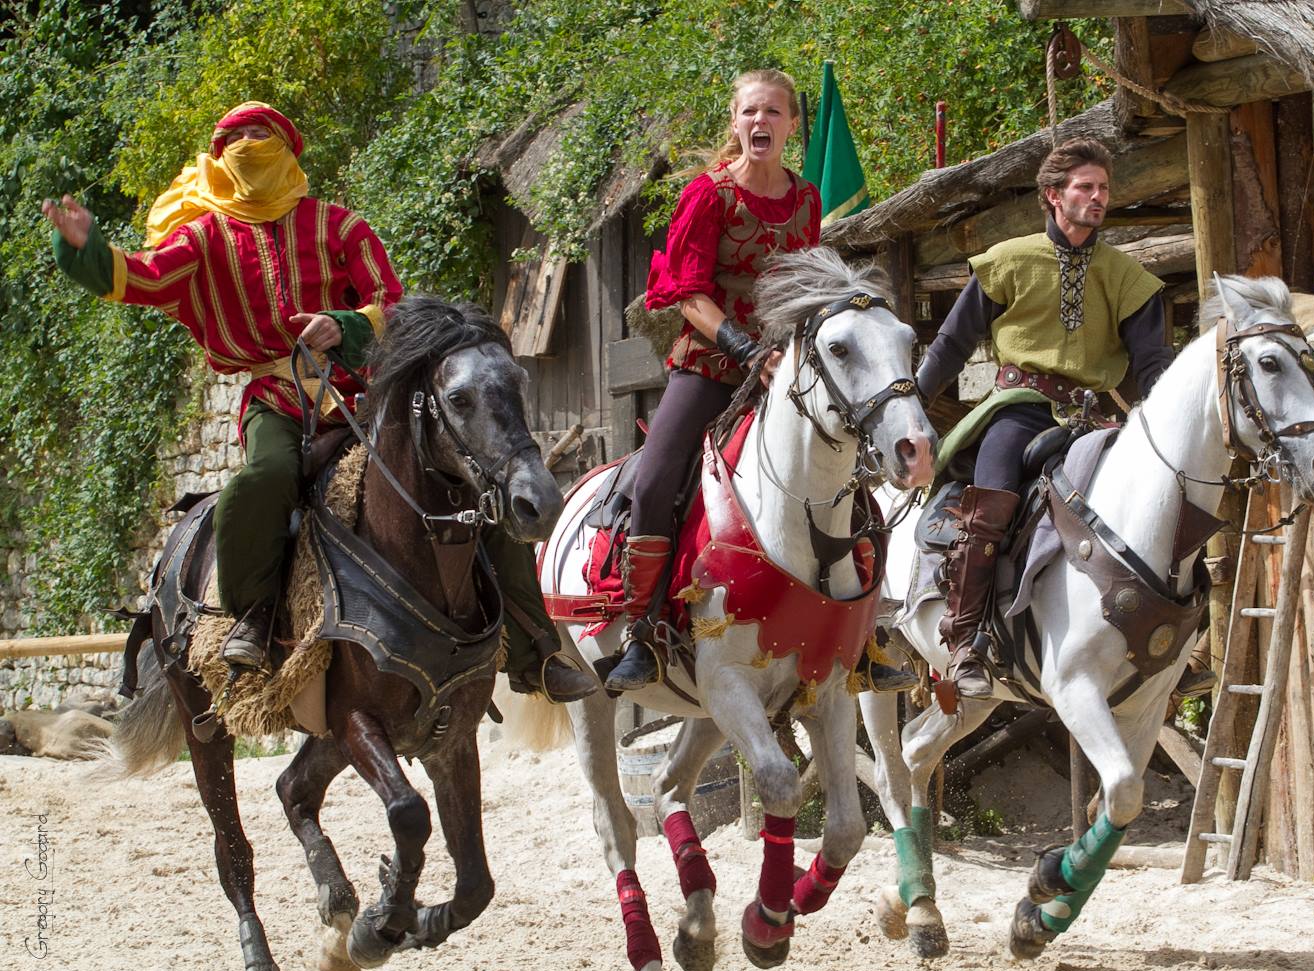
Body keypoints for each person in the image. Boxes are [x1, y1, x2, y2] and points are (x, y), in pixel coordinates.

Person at [44, 102, 595, 702]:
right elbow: (144, 277)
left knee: (464, 483)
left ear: (287, 148)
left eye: (263, 134)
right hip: (274, 399)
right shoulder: (201, 237)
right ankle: (252, 618)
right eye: (238, 138)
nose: (251, 144)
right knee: (263, 479)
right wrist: (88, 252)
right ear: (219, 157)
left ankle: (536, 651)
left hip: (364, 394)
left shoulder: (338, 225)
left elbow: (392, 304)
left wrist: (344, 325)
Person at [914, 137, 1171, 700]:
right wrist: (911, 406)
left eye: (1104, 188)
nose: (1098, 197)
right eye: (1086, 187)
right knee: (992, 501)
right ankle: (965, 639)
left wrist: (1161, 427)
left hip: (1094, 417)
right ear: (1053, 195)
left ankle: (1164, 640)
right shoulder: (1009, 259)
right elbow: (953, 344)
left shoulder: (1128, 278)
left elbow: (1152, 366)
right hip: (1020, 408)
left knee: (1155, 502)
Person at [608, 69, 821, 690]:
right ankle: (643, 630)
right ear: (735, 122)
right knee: (655, 481)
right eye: (751, 111)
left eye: (774, 112)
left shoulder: (806, 201)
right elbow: (687, 292)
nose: (762, 122)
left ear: (790, 126)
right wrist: (745, 349)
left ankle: (859, 633)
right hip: (710, 364)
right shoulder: (708, 194)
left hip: (786, 366)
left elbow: (806, 287)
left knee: (847, 467)